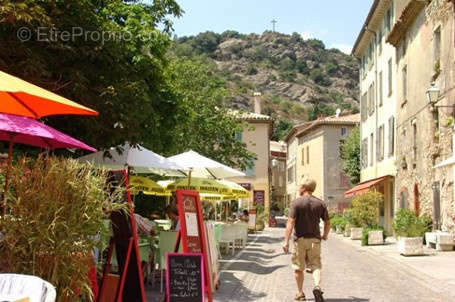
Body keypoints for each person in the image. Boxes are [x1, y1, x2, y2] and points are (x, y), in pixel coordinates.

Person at [283, 178, 330, 302]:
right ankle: (317, 287)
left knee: (298, 268)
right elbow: (327, 222)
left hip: (300, 240)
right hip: (315, 240)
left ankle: (300, 293)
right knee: (316, 266)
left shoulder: (296, 203)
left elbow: (290, 222)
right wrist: (325, 235)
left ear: (304, 188)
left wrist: (286, 241)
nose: (298, 188)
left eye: (299, 186)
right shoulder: (320, 203)